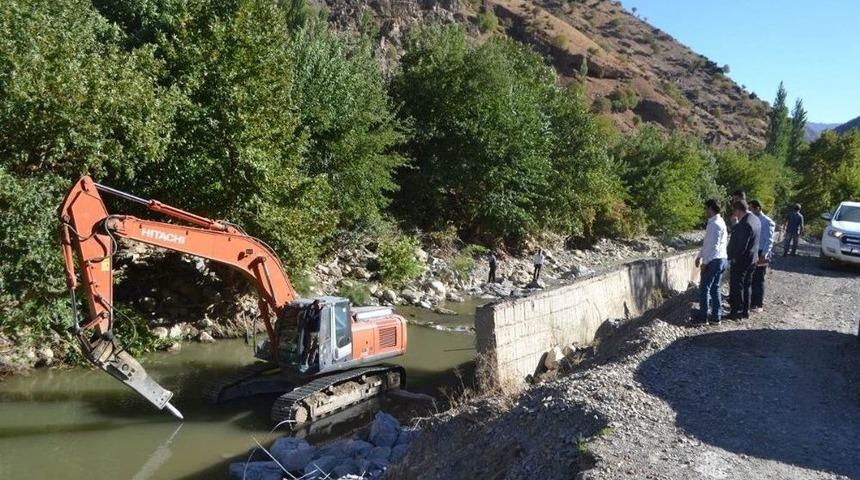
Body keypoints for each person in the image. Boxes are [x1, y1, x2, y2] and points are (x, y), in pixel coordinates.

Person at [694, 199, 728, 324]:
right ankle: (716, 317)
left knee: (704, 288)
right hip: (720, 259)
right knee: (715, 288)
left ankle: (703, 318)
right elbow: (707, 243)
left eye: (706, 209)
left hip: (714, 260)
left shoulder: (715, 224)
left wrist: (705, 262)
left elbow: (713, 246)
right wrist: (699, 255)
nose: (705, 211)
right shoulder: (719, 222)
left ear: (710, 209)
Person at [727, 200, 761, 320]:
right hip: (753, 259)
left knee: (737, 286)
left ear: (738, 210)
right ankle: (745, 311)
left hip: (742, 260)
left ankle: (736, 312)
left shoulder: (745, 223)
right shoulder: (755, 219)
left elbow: (742, 245)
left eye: (734, 211)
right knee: (747, 285)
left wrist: (734, 258)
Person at [749, 200, 775, 312]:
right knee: (752, 278)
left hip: (762, 252)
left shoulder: (768, 222)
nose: (750, 210)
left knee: (759, 278)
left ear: (758, 208)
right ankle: (752, 302)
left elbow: (769, 240)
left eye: (752, 208)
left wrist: (764, 254)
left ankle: (758, 304)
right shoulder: (753, 219)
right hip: (754, 251)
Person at [300, 299, 323, 371]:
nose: (319, 306)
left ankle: (311, 362)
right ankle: (304, 362)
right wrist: (311, 306)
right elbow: (313, 318)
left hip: (318, 332)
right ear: (315, 305)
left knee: (315, 347)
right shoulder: (312, 311)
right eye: (317, 305)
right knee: (308, 347)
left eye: (319, 305)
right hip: (311, 333)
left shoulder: (320, 311)